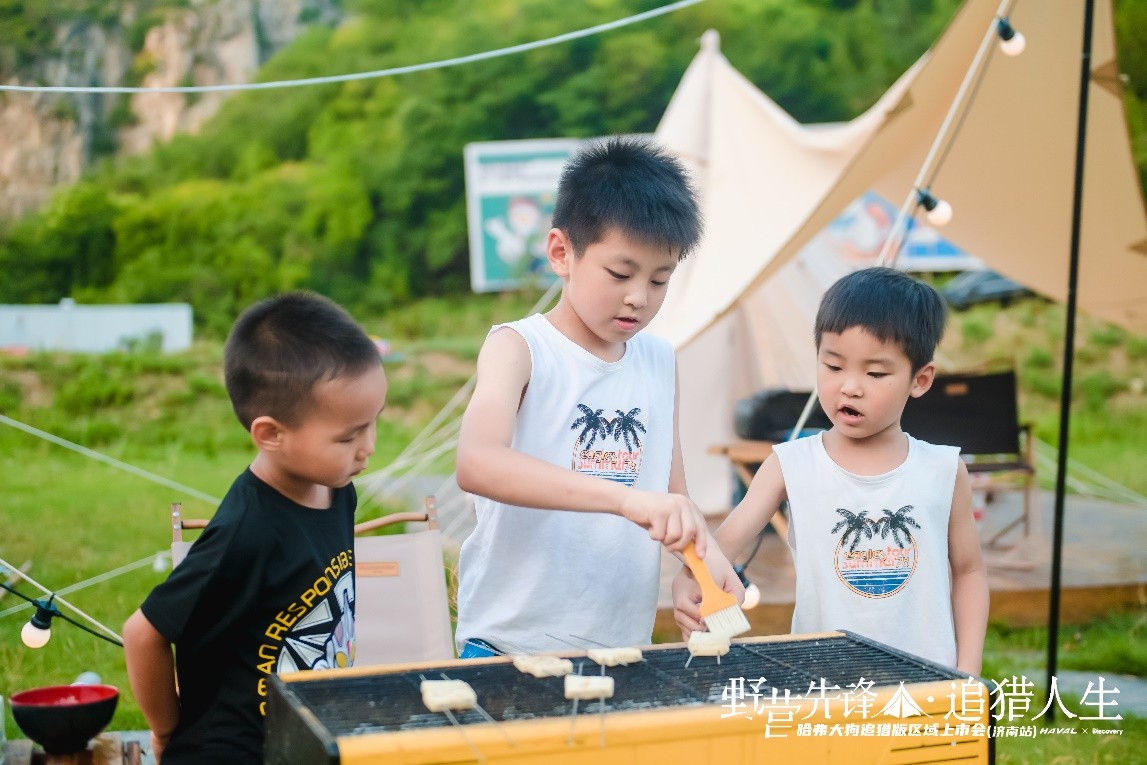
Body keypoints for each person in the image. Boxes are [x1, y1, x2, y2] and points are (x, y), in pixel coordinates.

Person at [454, 137, 742, 658]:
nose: (640, 296)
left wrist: (702, 566)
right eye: (620, 273)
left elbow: (672, 495)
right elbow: (477, 463)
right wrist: (625, 499)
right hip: (507, 645)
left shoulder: (658, 360)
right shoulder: (519, 348)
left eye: (661, 279)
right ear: (562, 252)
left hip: (619, 647)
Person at [673, 267, 989, 674]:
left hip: (927, 683)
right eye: (834, 366)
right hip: (822, 683)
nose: (850, 387)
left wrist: (968, 670)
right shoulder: (790, 464)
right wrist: (689, 581)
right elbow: (717, 552)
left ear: (920, 379)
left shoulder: (943, 470)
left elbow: (969, 571)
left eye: (875, 373)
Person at [122, 292, 388, 764]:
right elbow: (144, 633)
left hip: (301, 741)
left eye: (372, 424)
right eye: (349, 435)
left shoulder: (337, 489)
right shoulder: (248, 530)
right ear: (270, 434)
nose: (368, 447)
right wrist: (166, 732)